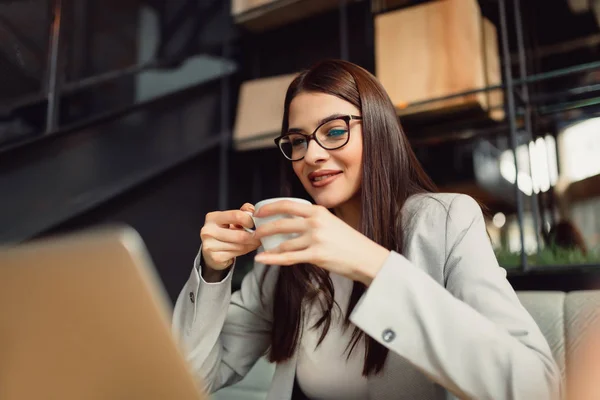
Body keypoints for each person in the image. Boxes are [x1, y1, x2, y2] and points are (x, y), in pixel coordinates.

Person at [172, 60, 560, 399]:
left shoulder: (444, 221)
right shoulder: (288, 251)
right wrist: (213, 272)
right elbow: (193, 381)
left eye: (335, 131)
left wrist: (373, 264)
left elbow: (536, 388)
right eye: (297, 141)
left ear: (377, 129)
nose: (313, 155)